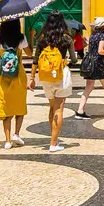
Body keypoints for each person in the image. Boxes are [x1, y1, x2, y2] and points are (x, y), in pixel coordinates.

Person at [35, 12, 73, 152]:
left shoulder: (42, 39)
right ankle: (54, 142)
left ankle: (53, 138)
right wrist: (68, 61)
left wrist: (32, 77)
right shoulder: (66, 39)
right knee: (59, 109)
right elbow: (74, 60)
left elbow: (35, 59)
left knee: (52, 108)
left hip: (46, 76)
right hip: (61, 75)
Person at [0, 17, 29, 148]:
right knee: (19, 105)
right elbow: (29, 54)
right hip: (18, 75)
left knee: (5, 107)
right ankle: (16, 134)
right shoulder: (21, 38)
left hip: (3, 77)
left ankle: (7, 141)